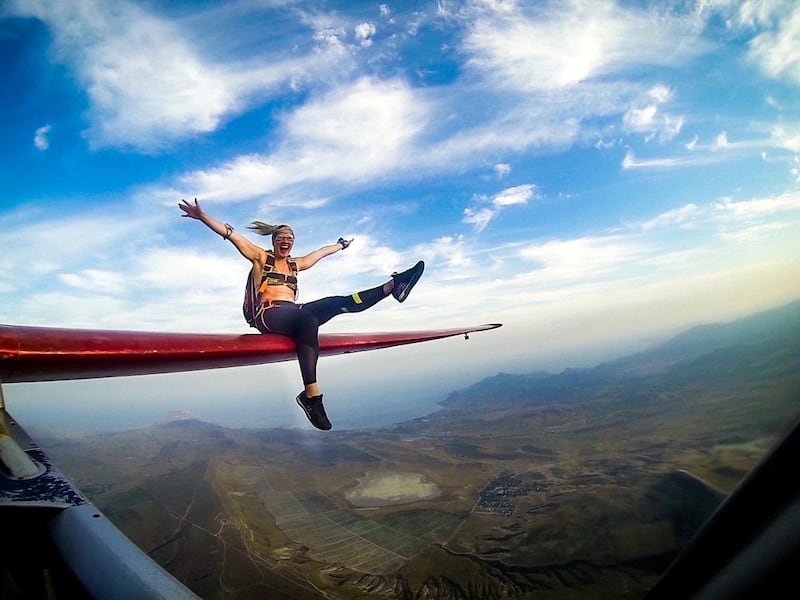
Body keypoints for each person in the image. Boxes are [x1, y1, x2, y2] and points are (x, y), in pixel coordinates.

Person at [178, 198, 424, 431]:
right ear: (274, 241)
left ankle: (393, 286)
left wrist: (340, 245)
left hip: (293, 312)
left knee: (335, 302)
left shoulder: (297, 264)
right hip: (269, 313)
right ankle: (311, 396)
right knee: (308, 319)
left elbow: (320, 252)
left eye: (290, 238)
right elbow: (231, 235)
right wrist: (202, 217)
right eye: (282, 237)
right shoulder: (261, 257)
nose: (287, 240)